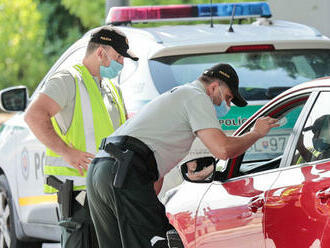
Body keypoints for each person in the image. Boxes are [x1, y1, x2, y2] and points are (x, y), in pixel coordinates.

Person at [86, 63, 279, 248]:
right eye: (227, 98)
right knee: (156, 241)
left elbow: (154, 164)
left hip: (102, 169)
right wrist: (255, 133)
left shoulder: (177, 96)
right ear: (213, 87)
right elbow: (223, 149)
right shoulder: (196, 97)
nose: (227, 105)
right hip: (124, 170)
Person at [24, 26, 138, 248]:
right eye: (117, 57)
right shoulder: (68, 80)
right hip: (79, 193)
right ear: (100, 53)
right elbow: (34, 116)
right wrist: (67, 152)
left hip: (109, 190)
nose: (121, 64)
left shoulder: (112, 89)